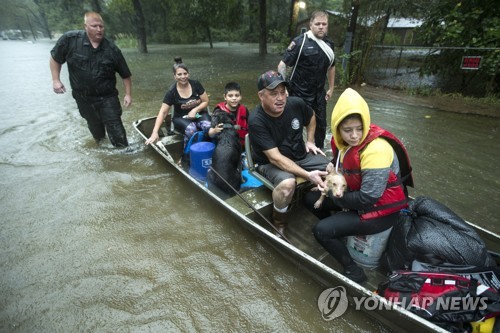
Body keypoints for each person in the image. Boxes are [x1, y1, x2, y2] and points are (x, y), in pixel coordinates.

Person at [304, 88, 413, 283]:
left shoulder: (376, 150)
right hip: (355, 199)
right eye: (347, 130)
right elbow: (341, 163)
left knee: (321, 230)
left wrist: (331, 194)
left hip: (380, 212)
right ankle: (342, 231)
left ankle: (353, 270)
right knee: (309, 198)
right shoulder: (341, 143)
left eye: (359, 128)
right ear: (337, 129)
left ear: (366, 124)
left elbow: (368, 198)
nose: (354, 135)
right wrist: (330, 168)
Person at [248, 70, 330, 238]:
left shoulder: (296, 104)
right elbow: (275, 158)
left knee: (332, 167)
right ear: (261, 96)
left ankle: (324, 206)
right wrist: (308, 175)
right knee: (287, 185)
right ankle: (279, 222)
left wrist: (310, 141)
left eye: (282, 92)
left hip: (300, 155)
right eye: (273, 94)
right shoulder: (256, 120)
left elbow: (312, 116)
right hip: (269, 163)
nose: (280, 98)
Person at [50, 11, 132, 147]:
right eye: (94, 26)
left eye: (101, 26)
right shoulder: (70, 40)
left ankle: (124, 157)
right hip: (83, 98)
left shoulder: (112, 50)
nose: (99, 29)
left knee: (117, 133)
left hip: (107, 98)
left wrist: (128, 94)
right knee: (98, 134)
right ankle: (104, 156)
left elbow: (126, 75)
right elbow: (55, 59)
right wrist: (55, 80)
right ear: (85, 27)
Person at [277, 10, 335, 149]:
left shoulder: (329, 44)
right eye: (317, 24)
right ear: (311, 25)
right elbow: (282, 65)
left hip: (318, 94)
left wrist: (332, 88)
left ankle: (318, 152)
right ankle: (295, 151)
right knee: (295, 125)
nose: (321, 27)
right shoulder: (300, 42)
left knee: (321, 126)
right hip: (299, 93)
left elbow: (331, 66)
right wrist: (283, 89)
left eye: (324, 24)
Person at [145, 57, 211, 160]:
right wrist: (155, 132)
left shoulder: (196, 84)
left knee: (209, 127)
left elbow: (206, 101)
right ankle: (186, 156)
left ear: (188, 73)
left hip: (198, 114)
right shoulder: (171, 92)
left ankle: (209, 150)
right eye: (179, 74)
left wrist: (195, 110)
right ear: (174, 76)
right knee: (191, 130)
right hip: (181, 117)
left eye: (185, 74)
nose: (183, 77)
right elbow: (163, 112)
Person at [208, 82, 249, 147]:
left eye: (237, 95)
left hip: (243, 145)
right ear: (225, 97)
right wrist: (215, 130)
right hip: (227, 146)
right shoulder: (218, 111)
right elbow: (210, 133)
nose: (234, 98)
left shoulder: (244, 110)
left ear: (240, 97)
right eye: (230, 96)